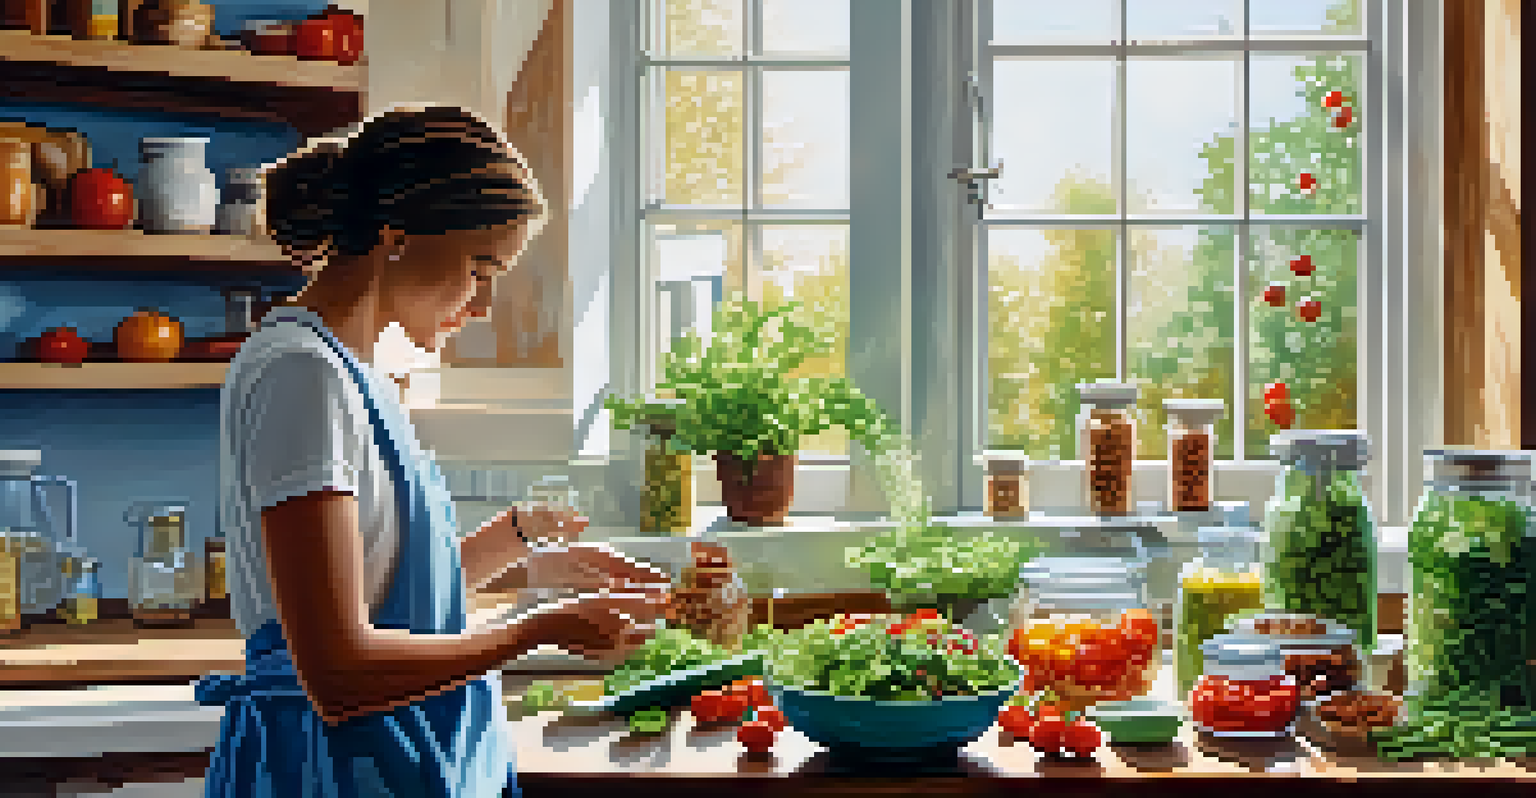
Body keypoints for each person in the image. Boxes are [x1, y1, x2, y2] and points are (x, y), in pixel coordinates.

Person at [198, 104, 671, 798]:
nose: (483, 304)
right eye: (481, 268)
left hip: (388, 753)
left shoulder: (358, 377)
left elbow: (383, 596)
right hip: (329, 767)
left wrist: (526, 554)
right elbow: (337, 669)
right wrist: (535, 629)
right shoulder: (302, 375)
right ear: (398, 238)